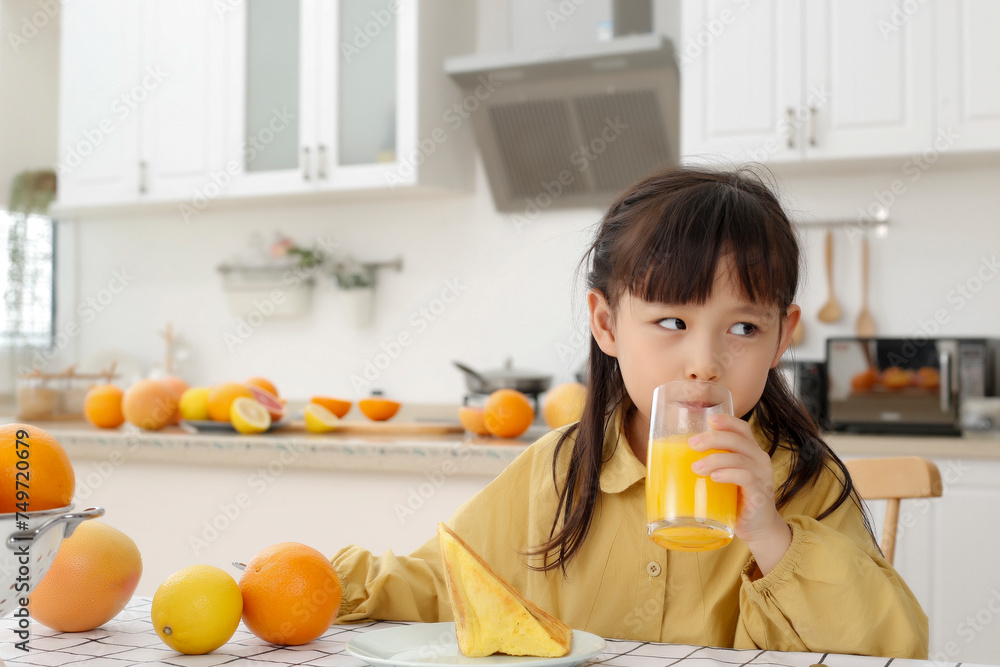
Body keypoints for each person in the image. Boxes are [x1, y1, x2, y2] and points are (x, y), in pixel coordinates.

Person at [331, 166, 928, 658]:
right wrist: (319, 583)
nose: (704, 363)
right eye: (672, 322)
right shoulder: (554, 472)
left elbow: (892, 647)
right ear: (607, 324)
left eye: (743, 327)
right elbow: (448, 581)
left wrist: (771, 535)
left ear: (781, 339)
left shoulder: (800, 480)